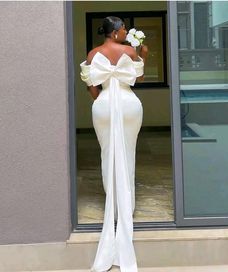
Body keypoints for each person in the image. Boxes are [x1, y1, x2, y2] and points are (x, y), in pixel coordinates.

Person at [80, 16, 148, 272]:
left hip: (104, 105)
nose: (124, 33)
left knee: (107, 155)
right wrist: (144, 54)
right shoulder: (130, 51)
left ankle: (114, 203)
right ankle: (126, 207)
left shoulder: (93, 52)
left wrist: (102, 99)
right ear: (117, 32)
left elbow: (90, 83)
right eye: (122, 29)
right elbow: (138, 79)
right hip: (129, 105)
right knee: (127, 153)